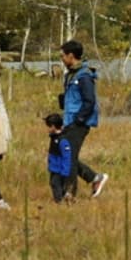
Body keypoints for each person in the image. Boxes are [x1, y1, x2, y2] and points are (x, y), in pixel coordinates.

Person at [55, 39, 108, 199]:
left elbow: (89, 101)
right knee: (65, 155)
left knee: (68, 157)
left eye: (63, 56)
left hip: (78, 123)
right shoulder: (71, 74)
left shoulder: (84, 76)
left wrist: (79, 120)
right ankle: (94, 178)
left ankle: (70, 193)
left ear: (71, 56)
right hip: (69, 121)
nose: (62, 59)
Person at [42, 113, 79, 203]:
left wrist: (65, 171)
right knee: (53, 183)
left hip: (59, 170)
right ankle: (64, 197)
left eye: (48, 126)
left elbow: (67, 157)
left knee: (55, 184)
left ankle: (59, 200)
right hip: (54, 168)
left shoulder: (62, 141)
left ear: (53, 127)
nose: (47, 129)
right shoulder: (54, 138)